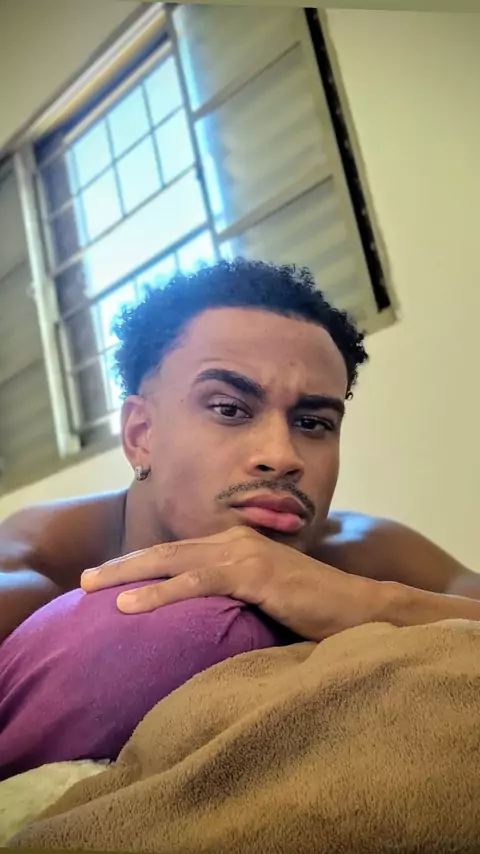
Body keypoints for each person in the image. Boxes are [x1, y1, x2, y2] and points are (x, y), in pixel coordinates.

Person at [0, 259, 479, 778]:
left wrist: (369, 603)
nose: (281, 456)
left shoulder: (358, 553)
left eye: (313, 422)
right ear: (140, 434)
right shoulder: (33, 570)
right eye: (229, 409)